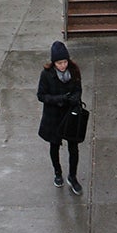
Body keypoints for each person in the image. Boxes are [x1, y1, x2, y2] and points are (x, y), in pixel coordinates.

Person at [37, 40, 83, 195]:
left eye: (64, 62)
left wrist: (74, 99)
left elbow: (78, 89)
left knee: (73, 147)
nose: (62, 65)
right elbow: (41, 95)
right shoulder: (46, 75)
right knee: (54, 145)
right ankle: (58, 173)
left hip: (70, 115)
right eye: (59, 63)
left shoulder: (74, 71)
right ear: (53, 62)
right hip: (54, 116)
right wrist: (59, 99)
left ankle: (73, 176)